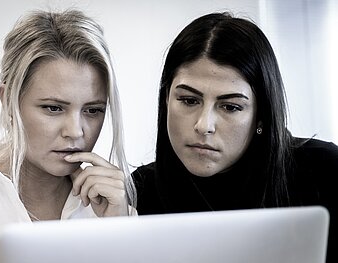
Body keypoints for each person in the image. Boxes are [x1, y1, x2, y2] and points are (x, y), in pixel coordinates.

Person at [132, 12, 338, 262]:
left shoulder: (323, 170)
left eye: (230, 107)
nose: (203, 125)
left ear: (261, 115)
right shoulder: (140, 191)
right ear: (166, 99)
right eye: (188, 100)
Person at [0, 9, 136, 263]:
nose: (76, 131)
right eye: (54, 108)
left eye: (92, 110)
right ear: (7, 101)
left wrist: (118, 235)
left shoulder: (114, 209)